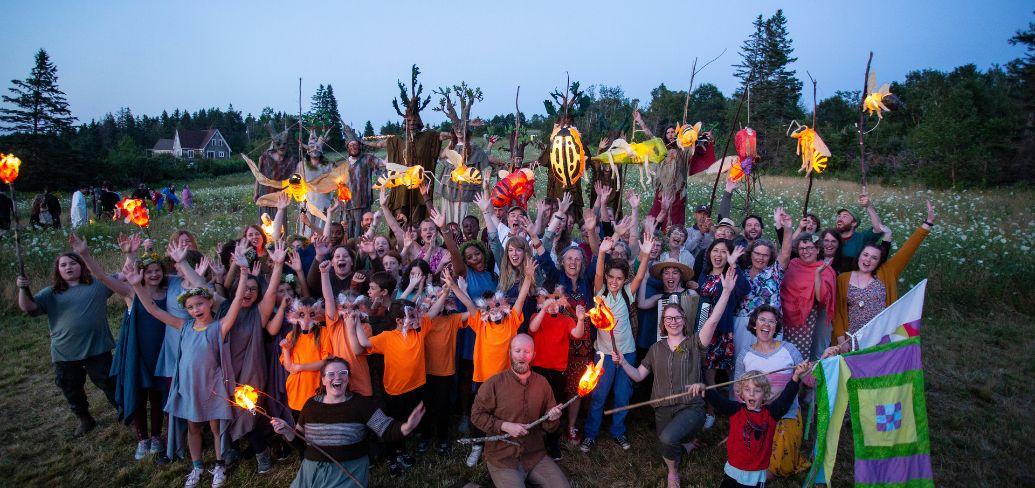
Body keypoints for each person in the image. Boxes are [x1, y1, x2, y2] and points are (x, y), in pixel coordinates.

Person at [127, 247, 249, 488]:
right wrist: (138, 287)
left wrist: (244, 272)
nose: (196, 310)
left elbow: (236, 302)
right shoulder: (184, 327)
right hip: (190, 386)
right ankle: (196, 467)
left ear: (209, 303)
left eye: (200, 304)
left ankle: (219, 464)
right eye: (191, 307)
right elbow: (153, 309)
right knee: (193, 426)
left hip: (213, 386)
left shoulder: (219, 327)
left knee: (215, 427)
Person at [615, 265, 739, 488]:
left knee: (667, 439)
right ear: (663, 323)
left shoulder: (695, 343)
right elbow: (638, 376)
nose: (673, 321)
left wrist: (727, 291)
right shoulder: (655, 348)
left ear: (684, 319)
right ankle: (687, 442)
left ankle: (673, 471)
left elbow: (712, 321)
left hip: (691, 406)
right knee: (665, 444)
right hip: (663, 408)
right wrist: (623, 362)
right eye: (668, 318)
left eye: (677, 317)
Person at [270, 357, 425, 488]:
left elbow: (388, 430)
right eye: (331, 374)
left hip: (348, 468)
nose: (337, 377)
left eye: (342, 373)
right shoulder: (311, 405)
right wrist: (286, 431)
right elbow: (300, 443)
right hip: (312, 469)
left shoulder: (362, 404)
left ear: (348, 378)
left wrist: (407, 426)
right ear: (323, 380)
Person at [16, 250, 117, 438]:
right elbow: (28, 307)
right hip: (65, 352)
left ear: (81, 266)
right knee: (71, 387)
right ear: (58, 270)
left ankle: (124, 410)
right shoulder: (51, 293)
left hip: (97, 347)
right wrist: (23, 288)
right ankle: (84, 418)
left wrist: (133, 254)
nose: (68, 267)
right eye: (63, 265)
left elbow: (123, 277)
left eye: (72, 263)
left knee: (109, 382)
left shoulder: (98, 285)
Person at [826, 201, 935, 356]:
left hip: (882, 337)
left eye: (874, 258)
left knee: (877, 376)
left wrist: (928, 223)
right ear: (859, 256)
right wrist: (840, 339)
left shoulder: (886, 272)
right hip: (851, 340)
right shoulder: (843, 279)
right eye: (865, 255)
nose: (868, 260)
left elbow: (909, 248)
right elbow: (837, 313)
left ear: (879, 261)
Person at [580, 232, 654, 453]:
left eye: (619, 278)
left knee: (623, 395)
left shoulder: (626, 295)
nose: (614, 281)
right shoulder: (600, 294)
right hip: (603, 354)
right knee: (599, 395)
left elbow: (639, 277)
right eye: (611, 277)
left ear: (624, 280)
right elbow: (599, 272)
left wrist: (646, 254)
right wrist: (601, 252)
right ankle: (591, 433)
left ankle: (618, 431)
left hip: (626, 354)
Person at [471, 334, 570, 488]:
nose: (522, 356)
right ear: (510, 353)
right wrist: (504, 425)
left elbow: (550, 427)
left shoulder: (542, 384)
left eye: (527, 351)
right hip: (502, 458)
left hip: (534, 454)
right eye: (517, 351)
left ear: (533, 355)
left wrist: (552, 418)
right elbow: (476, 415)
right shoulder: (494, 383)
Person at [348, 299, 427, 476]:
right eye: (412, 316)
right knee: (394, 424)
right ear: (399, 320)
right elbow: (365, 343)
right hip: (395, 392)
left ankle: (402, 451)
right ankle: (392, 457)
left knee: (408, 421)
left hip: (416, 388)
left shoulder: (419, 331)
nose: (418, 318)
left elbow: (433, 311)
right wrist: (357, 325)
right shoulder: (388, 337)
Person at [705, 363, 809, 488]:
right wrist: (703, 389)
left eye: (757, 390)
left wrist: (796, 376)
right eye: (747, 389)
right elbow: (717, 400)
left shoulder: (771, 414)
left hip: (755, 475)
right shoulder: (735, 410)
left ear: (765, 394)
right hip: (732, 471)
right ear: (741, 393)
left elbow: (786, 398)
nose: (752, 394)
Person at [734, 305, 809, 477]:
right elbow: (739, 391)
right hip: (757, 416)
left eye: (771, 321)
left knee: (775, 467)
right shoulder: (745, 355)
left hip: (786, 414)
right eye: (762, 320)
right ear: (754, 324)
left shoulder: (789, 350)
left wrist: (825, 358)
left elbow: (809, 378)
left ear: (776, 327)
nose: (766, 324)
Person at [528, 292, 587, 460]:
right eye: (547, 300)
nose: (552, 303)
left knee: (554, 408)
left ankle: (553, 443)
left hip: (558, 372)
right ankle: (536, 442)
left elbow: (577, 334)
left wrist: (581, 319)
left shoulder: (566, 319)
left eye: (556, 300)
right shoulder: (536, 316)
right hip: (538, 371)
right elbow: (532, 328)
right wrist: (544, 309)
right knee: (535, 406)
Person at [732, 209, 794, 361]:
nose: (760, 258)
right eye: (757, 253)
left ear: (770, 257)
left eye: (765, 255)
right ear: (750, 254)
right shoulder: (742, 273)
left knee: (769, 363)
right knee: (743, 362)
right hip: (742, 323)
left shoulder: (774, 272)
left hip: (769, 324)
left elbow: (785, 253)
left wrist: (787, 229)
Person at [780, 233, 836, 361]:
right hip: (784, 319)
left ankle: (799, 380)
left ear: (817, 249)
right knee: (783, 357)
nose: (806, 252)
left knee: (799, 359)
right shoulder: (793, 263)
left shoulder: (825, 269)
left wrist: (817, 275)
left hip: (805, 322)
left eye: (810, 248)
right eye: (802, 249)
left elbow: (821, 299)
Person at [343, 137, 385, 238]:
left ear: (359, 146)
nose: (353, 147)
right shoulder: (344, 164)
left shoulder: (367, 159)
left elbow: (383, 163)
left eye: (355, 145)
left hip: (364, 202)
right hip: (347, 204)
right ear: (348, 148)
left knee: (363, 229)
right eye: (351, 145)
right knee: (349, 230)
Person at [835, 193, 886, 269]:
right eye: (839, 216)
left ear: (854, 223)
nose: (839, 218)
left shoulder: (862, 238)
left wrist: (869, 206)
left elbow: (879, 228)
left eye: (844, 216)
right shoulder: (831, 237)